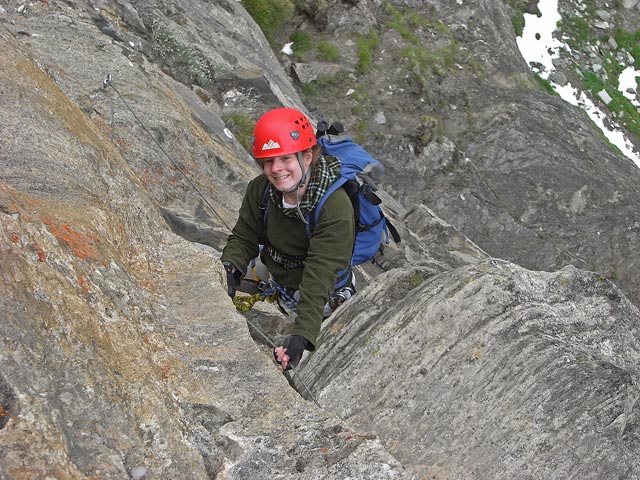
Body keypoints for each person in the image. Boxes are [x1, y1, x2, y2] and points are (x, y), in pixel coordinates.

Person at [220, 107, 356, 370]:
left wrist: (301, 336)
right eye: (268, 161)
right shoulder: (261, 190)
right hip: (277, 270)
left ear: (306, 157)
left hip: (319, 291)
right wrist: (229, 267)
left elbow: (319, 274)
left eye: (284, 159)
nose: (276, 169)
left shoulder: (334, 208)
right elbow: (245, 236)